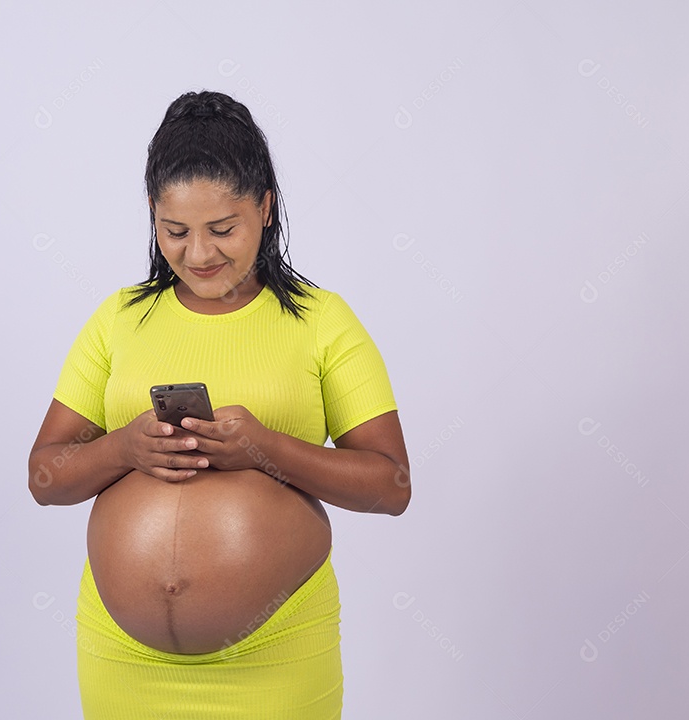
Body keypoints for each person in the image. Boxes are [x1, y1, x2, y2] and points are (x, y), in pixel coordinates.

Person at [28, 89, 411, 719]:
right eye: (175, 231)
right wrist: (123, 448)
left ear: (265, 207)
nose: (200, 254)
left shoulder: (323, 322)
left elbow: (391, 487)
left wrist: (265, 449)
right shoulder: (118, 320)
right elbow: (45, 477)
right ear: (152, 214)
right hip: (123, 664)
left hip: (277, 660)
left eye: (223, 229)